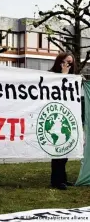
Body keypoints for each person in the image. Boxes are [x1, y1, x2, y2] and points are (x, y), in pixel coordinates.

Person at [48, 52, 78, 190]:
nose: (69, 65)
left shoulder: (72, 78)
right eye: (67, 62)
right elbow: (57, 89)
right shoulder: (51, 76)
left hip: (66, 115)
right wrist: (64, 74)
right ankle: (56, 180)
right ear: (60, 62)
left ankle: (63, 178)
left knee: (65, 150)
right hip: (54, 115)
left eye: (71, 63)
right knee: (57, 150)